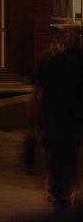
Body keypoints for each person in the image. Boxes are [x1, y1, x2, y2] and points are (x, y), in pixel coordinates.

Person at [33, 25, 83, 212]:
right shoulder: (56, 58)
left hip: (60, 115)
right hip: (64, 115)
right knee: (64, 152)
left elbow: (38, 88)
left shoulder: (51, 57)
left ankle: (60, 189)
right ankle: (61, 189)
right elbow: (38, 87)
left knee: (62, 153)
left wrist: (34, 114)